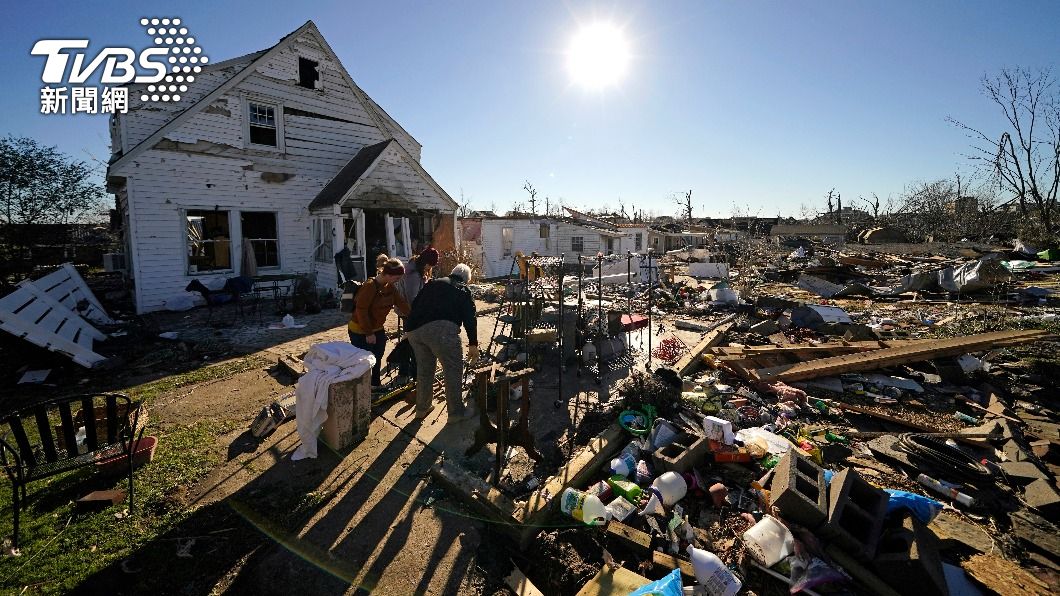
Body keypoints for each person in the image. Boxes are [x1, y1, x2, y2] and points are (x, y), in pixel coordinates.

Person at [405, 263, 479, 420]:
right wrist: (473, 344)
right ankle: (456, 413)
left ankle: (422, 409)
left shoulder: (432, 283)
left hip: (414, 331)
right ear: (466, 279)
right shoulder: (462, 289)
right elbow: (470, 319)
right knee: (452, 369)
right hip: (441, 331)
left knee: (425, 369)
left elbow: (415, 304)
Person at [349, 257, 411, 386]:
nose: (398, 280)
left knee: (377, 359)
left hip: (377, 329)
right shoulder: (370, 286)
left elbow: (402, 304)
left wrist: (416, 317)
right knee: (365, 362)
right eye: (397, 277)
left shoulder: (390, 287)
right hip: (360, 330)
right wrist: (368, 333)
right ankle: (362, 389)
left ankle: (375, 385)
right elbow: (361, 310)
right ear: (388, 274)